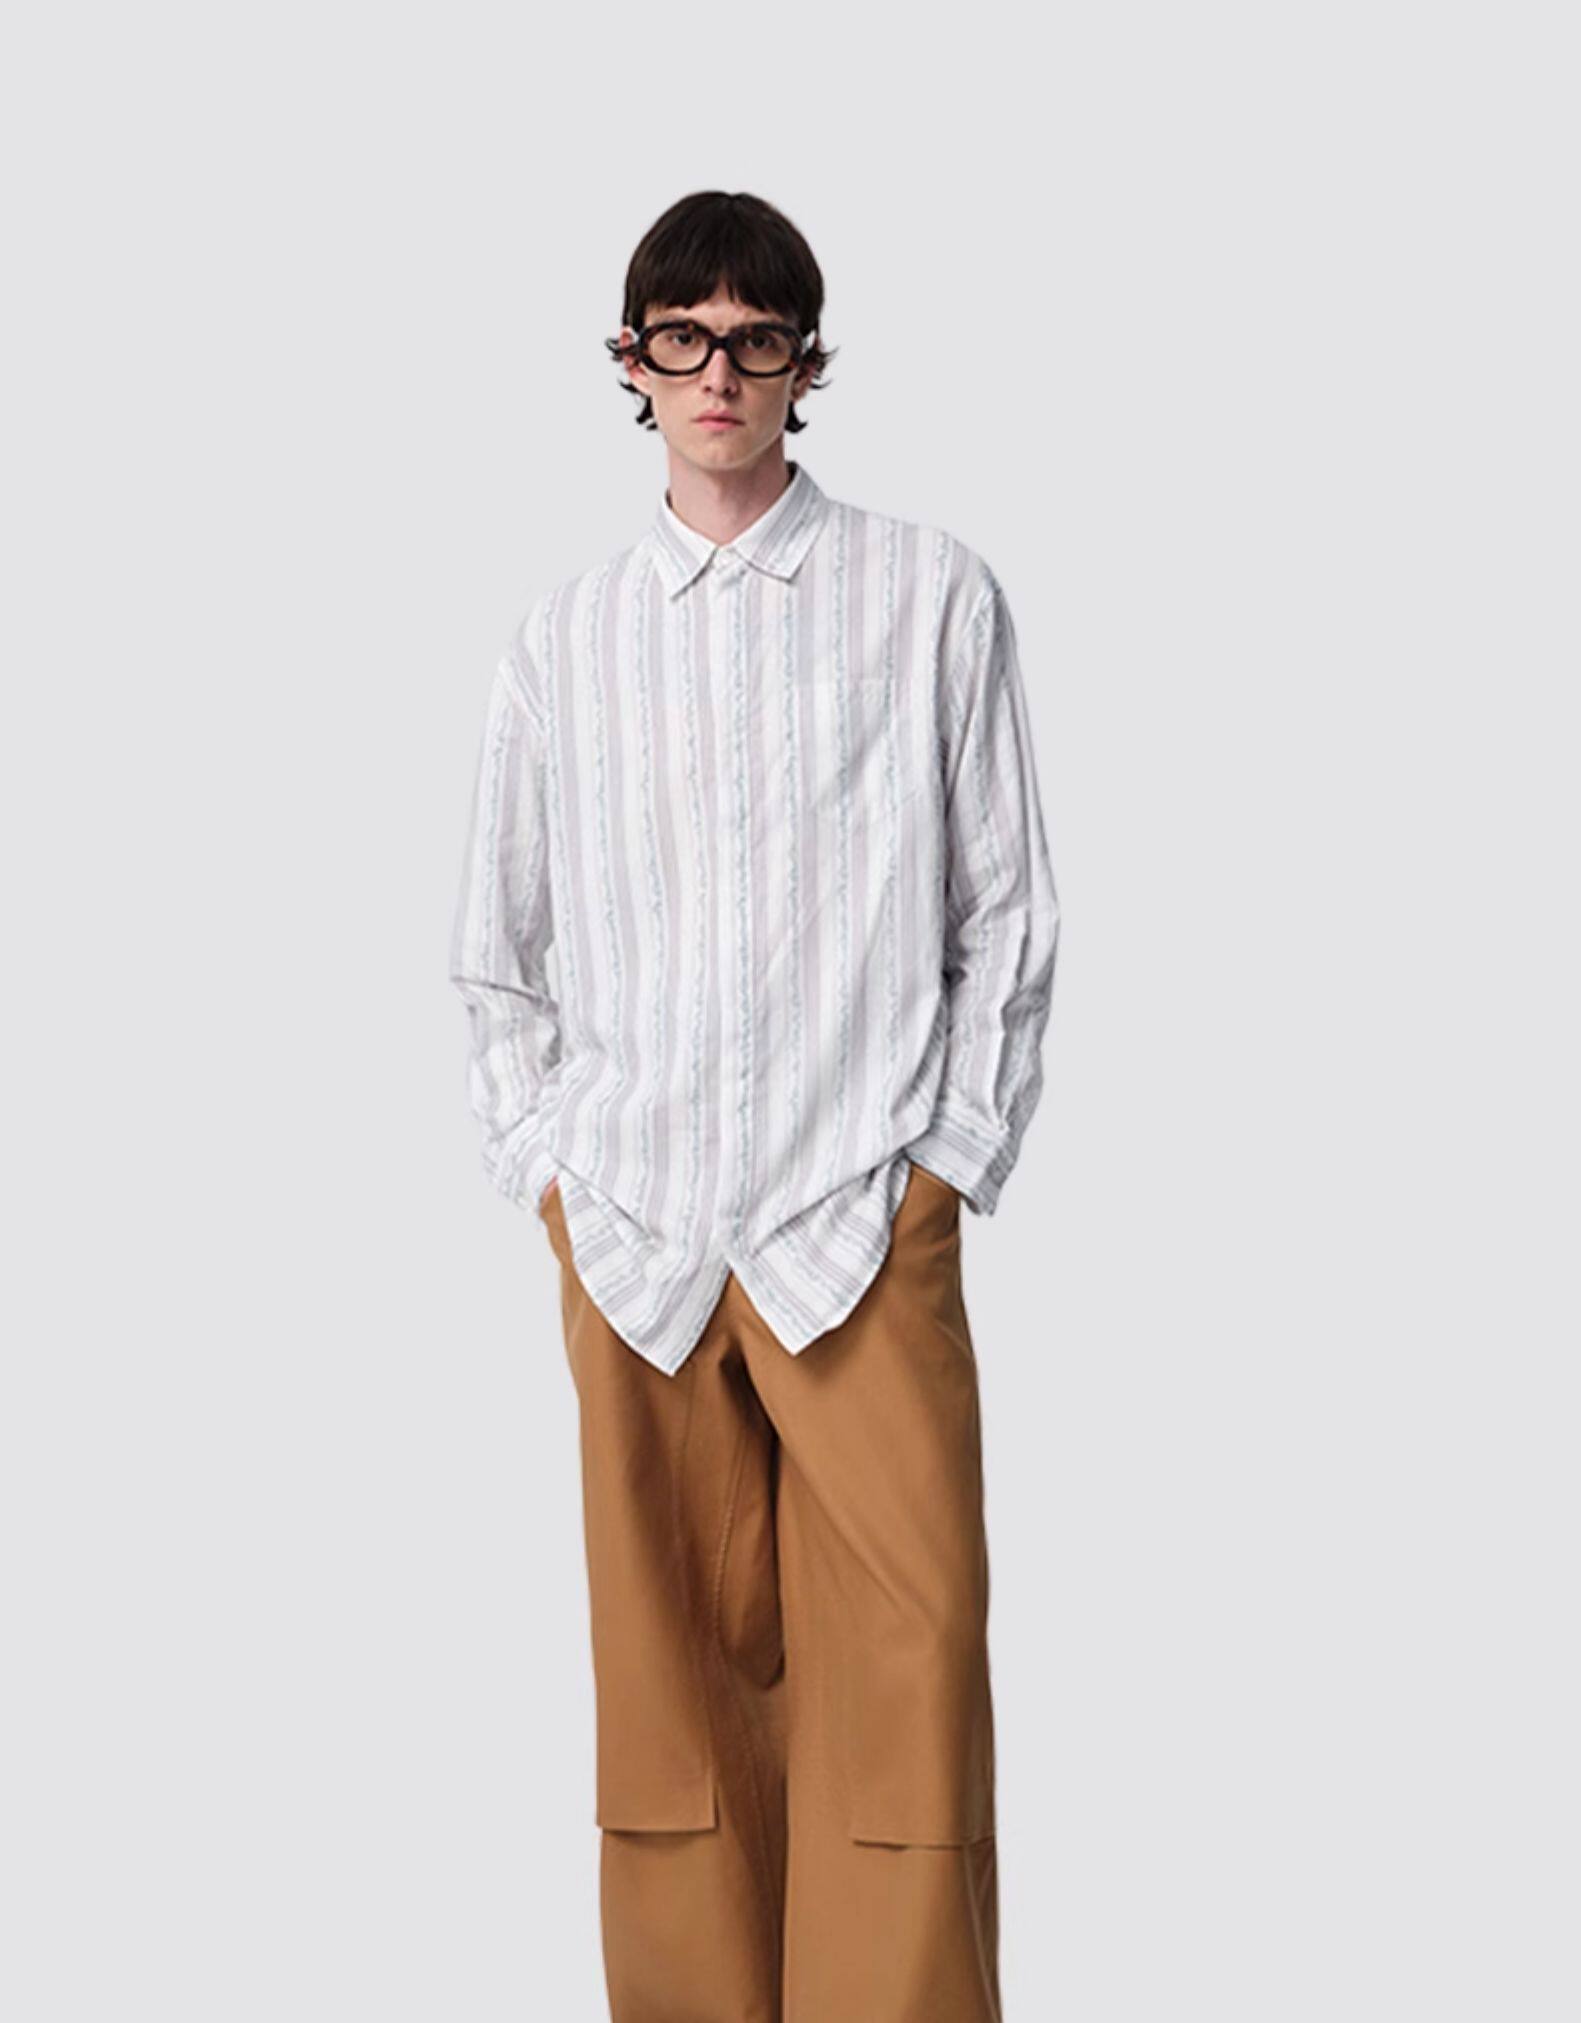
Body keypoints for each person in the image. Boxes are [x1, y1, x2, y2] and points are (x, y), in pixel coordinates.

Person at [449, 188, 1060, 2022]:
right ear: (632, 365)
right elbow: (494, 957)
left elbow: (1005, 912)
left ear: (804, 362)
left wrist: (945, 1172)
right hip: (636, 1243)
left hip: (860, 1227)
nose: (719, 371)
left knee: (911, 1700)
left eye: (757, 337)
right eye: (682, 337)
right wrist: (552, 1181)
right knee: (670, 1731)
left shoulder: (930, 594)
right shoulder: (561, 642)